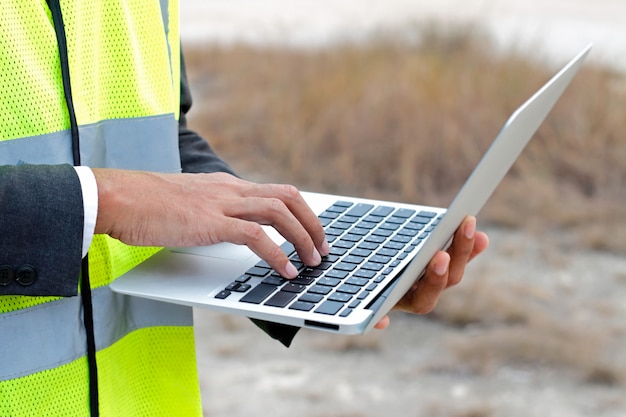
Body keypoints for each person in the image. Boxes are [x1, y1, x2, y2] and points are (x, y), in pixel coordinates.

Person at [0, 1, 489, 416]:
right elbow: (131, 189)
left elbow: (160, 137)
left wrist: (302, 268)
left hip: (143, 396)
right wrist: (106, 201)